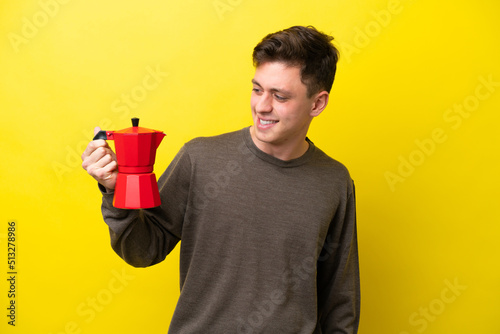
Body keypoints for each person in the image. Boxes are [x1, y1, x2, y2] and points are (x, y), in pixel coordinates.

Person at [81, 25, 360, 333]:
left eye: (279, 96)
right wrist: (115, 189)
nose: (262, 106)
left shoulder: (334, 182)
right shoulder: (199, 159)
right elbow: (141, 250)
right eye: (257, 89)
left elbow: (340, 298)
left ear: (317, 103)